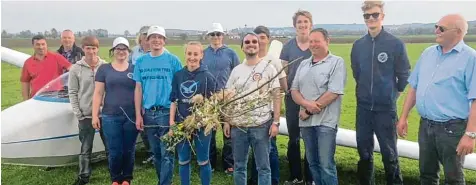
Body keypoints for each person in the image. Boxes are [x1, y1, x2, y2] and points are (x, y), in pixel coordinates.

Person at [396, 14, 476, 185]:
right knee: (426, 174)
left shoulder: (471, 58)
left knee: (453, 178)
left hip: (452, 129)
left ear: (458, 32)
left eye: (442, 28)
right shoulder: (428, 53)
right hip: (426, 126)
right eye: (436, 26)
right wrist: (403, 117)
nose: (436, 31)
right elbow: (414, 87)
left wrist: (470, 135)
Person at [350, 1, 410, 184]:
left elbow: (404, 74)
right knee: (365, 154)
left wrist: (393, 95)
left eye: (375, 15)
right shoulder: (358, 45)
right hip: (364, 109)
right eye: (367, 16)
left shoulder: (395, 44)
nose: (371, 19)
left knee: (389, 155)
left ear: (382, 16)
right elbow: (357, 73)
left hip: (386, 110)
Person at [223, 32, 281, 185]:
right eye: (247, 42)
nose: (251, 44)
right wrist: (227, 121)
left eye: (254, 41)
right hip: (239, 127)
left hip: (261, 125)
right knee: (239, 166)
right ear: (242, 47)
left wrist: (276, 122)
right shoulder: (236, 70)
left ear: (259, 45)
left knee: (263, 167)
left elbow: (276, 95)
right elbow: (228, 97)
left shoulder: (268, 68)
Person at [291, 28, 346, 185]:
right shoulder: (303, 64)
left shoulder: (336, 62)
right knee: (312, 163)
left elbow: (334, 92)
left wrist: (309, 110)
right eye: (311, 41)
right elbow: (294, 90)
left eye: (317, 41)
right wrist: (305, 104)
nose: (313, 44)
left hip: (325, 123)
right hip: (306, 124)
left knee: (326, 164)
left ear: (327, 41)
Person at [133, 25, 182, 185]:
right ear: (147, 40)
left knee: (167, 152)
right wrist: (139, 115)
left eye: (160, 37)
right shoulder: (140, 62)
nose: (156, 40)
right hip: (148, 114)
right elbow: (138, 89)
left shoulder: (173, 60)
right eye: (153, 37)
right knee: (156, 153)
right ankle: (164, 181)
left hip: (167, 112)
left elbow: (179, 87)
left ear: (164, 41)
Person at [91, 37, 138, 185]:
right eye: (118, 48)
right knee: (114, 151)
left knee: (129, 150)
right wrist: (94, 115)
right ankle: (116, 178)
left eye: (124, 49)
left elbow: (139, 92)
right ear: (113, 51)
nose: (121, 52)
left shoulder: (135, 69)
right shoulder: (104, 69)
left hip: (130, 116)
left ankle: (127, 178)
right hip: (110, 116)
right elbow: (98, 93)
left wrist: (139, 114)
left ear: (128, 52)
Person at [169, 41, 217, 185]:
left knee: (203, 160)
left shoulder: (207, 76)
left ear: (201, 55)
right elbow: (173, 100)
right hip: (181, 123)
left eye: (196, 54)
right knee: (183, 159)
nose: (192, 57)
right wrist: (171, 121)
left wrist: (210, 119)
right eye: (189, 53)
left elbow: (214, 103)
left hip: (202, 125)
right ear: (185, 55)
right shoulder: (178, 75)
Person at [248, 25, 286, 185]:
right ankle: (255, 179)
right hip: (251, 113)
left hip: (268, 113)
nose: (260, 41)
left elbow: (284, 86)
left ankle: (274, 180)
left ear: (268, 40)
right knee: (255, 149)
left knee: (270, 149)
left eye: (263, 38)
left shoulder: (274, 61)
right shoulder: (247, 60)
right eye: (257, 38)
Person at [68, 36, 108, 185]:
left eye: (94, 48)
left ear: (98, 49)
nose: (91, 51)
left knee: (109, 145)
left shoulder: (105, 66)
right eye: (88, 48)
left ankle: (115, 172)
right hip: (85, 114)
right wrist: (78, 112)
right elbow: (72, 91)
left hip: (104, 113)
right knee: (86, 148)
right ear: (83, 49)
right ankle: (84, 176)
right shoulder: (75, 68)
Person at [279, 10, 313, 185]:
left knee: (310, 138)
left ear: (310, 25)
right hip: (292, 100)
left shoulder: (315, 46)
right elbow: (283, 73)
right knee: (294, 139)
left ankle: (310, 177)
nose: (302, 25)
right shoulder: (288, 47)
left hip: (311, 101)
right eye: (299, 22)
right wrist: (287, 91)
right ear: (295, 26)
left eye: (306, 22)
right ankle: (295, 176)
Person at [202, 22, 240, 174]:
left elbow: (237, 75)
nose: (215, 37)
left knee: (228, 133)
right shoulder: (203, 54)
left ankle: (229, 163)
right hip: (208, 99)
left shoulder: (231, 53)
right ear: (209, 36)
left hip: (227, 98)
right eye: (213, 34)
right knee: (209, 132)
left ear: (222, 36)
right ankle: (209, 163)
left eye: (218, 34)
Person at [129, 25, 155, 165]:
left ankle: (156, 152)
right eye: (144, 35)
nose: (146, 38)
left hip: (152, 94)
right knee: (141, 125)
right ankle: (150, 151)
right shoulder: (133, 52)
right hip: (137, 91)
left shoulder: (159, 52)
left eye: (148, 35)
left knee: (152, 125)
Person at [21, 35, 72, 100]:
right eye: (38, 44)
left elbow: (72, 68)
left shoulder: (56, 57)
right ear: (33, 46)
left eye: (43, 44)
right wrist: (26, 100)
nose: (41, 47)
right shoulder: (28, 62)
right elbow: (25, 82)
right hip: (37, 98)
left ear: (46, 44)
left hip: (55, 97)